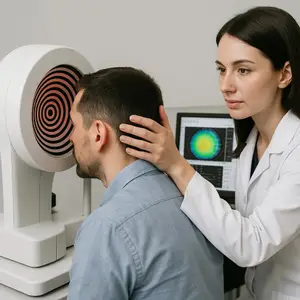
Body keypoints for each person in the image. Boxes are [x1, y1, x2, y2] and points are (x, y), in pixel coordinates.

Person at [118, 6, 300, 300]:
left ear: (284, 74)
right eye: (221, 69)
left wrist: (178, 165)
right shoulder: (252, 138)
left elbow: (250, 244)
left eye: (243, 70)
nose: (226, 85)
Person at [67, 67, 224, 300]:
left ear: (98, 133)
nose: (70, 137)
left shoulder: (107, 228)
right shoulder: (195, 201)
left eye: (73, 126)